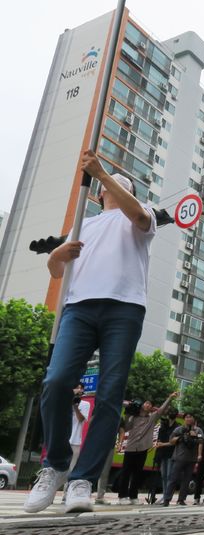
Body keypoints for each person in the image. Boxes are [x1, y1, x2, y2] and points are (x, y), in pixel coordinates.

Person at [24, 150, 157, 514]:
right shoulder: (84, 223)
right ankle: (53, 468)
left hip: (124, 307)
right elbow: (55, 271)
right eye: (105, 182)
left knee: (110, 394)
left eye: (119, 179)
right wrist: (59, 254)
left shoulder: (137, 214)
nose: (111, 183)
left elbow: (139, 216)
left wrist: (102, 172)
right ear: (98, 193)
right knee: (56, 382)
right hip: (79, 308)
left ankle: (82, 480)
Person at [117, 391, 178, 505]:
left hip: (143, 448)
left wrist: (170, 398)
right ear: (142, 405)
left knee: (137, 474)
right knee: (125, 473)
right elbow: (127, 428)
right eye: (146, 403)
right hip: (131, 447)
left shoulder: (152, 418)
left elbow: (161, 410)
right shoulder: (133, 416)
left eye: (150, 404)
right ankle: (122, 496)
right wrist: (128, 414)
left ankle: (133, 497)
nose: (148, 405)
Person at [162, 413, 204, 506]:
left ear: (194, 419)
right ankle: (167, 499)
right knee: (173, 479)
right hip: (178, 458)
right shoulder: (179, 429)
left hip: (191, 459)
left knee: (186, 480)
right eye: (186, 417)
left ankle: (181, 499)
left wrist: (194, 437)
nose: (188, 419)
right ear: (184, 419)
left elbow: (201, 441)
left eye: (190, 417)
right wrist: (181, 437)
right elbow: (171, 441)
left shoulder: (198, 430)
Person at [94, 420, 125, 505]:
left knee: (104, 472)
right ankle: (82, 494)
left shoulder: (118, 416)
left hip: (110, 446)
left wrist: (119, 443)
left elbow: (121, 431)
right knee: (90, 469)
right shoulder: (100, 410)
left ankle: (100, 497)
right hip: (95, 444)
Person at [151, 407, 178, 504]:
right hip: (162, 453)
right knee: (163, 475)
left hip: (172, 453)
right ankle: (165, 494)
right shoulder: (163, 425)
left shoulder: (177, 427)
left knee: (169, 475)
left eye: (173, 412)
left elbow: (174, 442)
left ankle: (167, 496)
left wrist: (162, 444)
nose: (171, 414)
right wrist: (159, 444)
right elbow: (159, 438)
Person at [69, 383, 90, 471]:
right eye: (76, 388)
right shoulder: (65, 401)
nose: (78, 390)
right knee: (57, 467)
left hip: (75, 441)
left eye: (80, 388)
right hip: (62, 440)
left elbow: (81, 419)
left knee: (71, 468)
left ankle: (68, 485)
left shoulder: (85, 404)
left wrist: (75, 407)